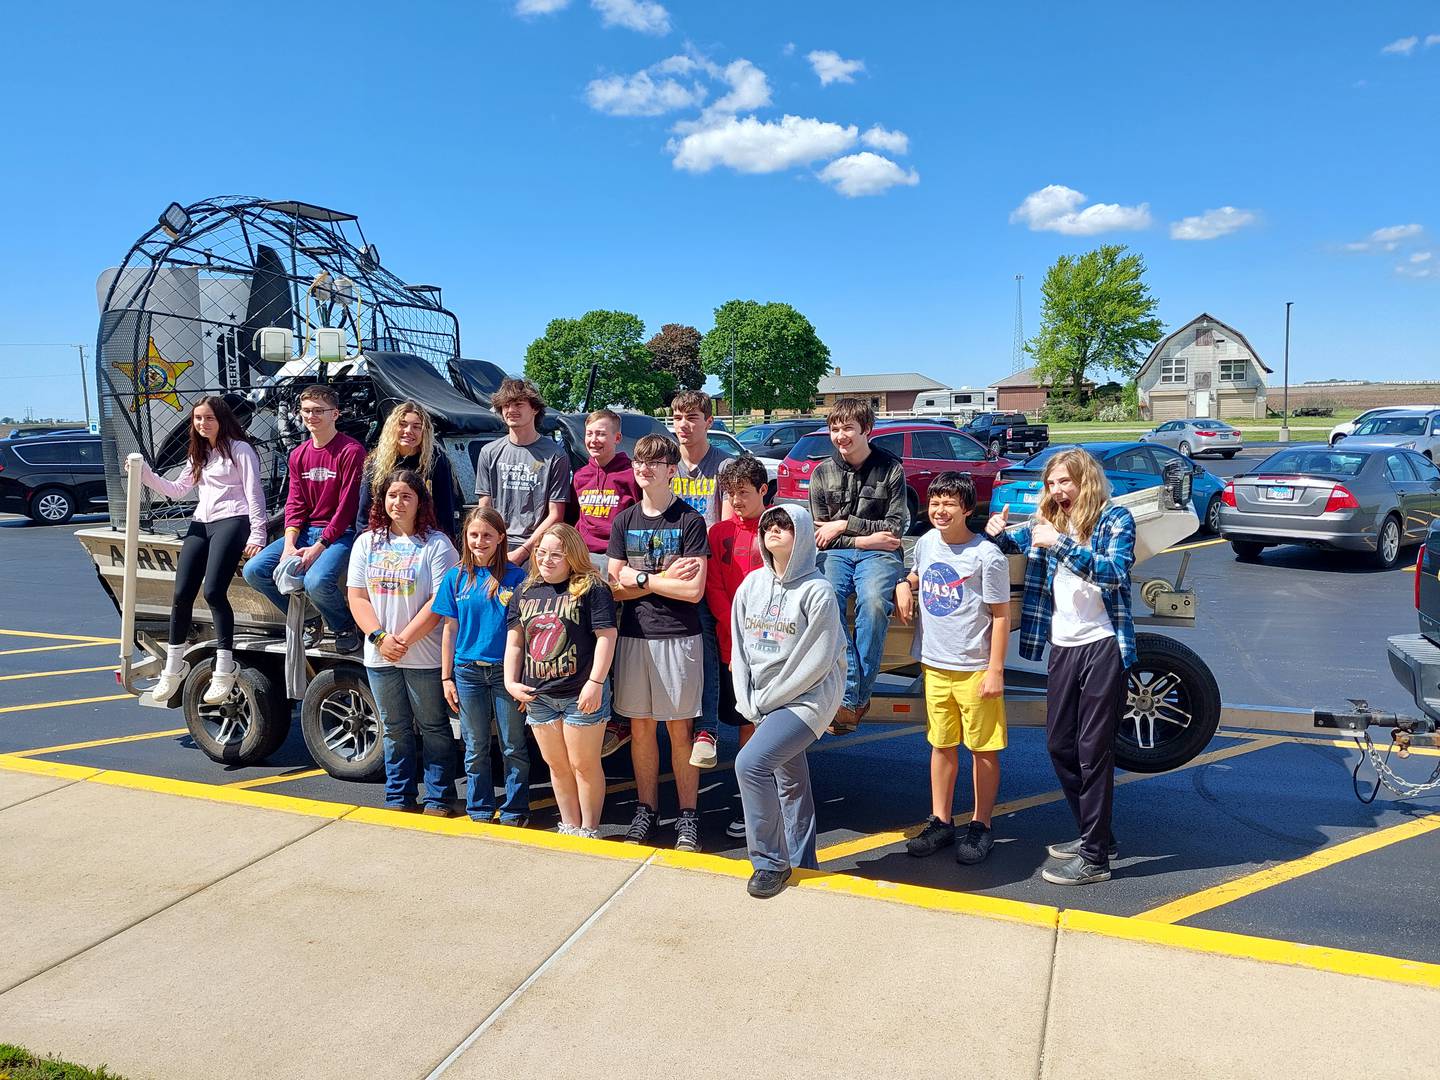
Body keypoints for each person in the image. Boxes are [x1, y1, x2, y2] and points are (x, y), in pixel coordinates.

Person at [984, 447, 1136, 886]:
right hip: (1064, 646)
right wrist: (995, 531)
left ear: (1084, 480)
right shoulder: (1048, 524)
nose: (1056, 490)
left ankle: (1094, 859)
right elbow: (1008, 541)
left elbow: (1113, 574)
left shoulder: (1114, 520)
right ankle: (1098, 836)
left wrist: (1062, 542)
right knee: (1060, 745)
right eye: (1051, 483)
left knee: (1093, 751)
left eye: (1064, 482)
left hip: (1103, 644)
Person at [731, 504, 846, 899]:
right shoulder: (751, 586)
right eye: (769, 525)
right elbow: (740, 648)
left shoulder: (818, 591)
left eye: (784, 525)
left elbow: (815, 661)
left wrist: (767, 700)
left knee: (750, 764)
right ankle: (802, 861)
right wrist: (746, 698)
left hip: (806, 698)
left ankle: (769, 862)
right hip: (764, 698)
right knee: (789, 778)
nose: (774, 531)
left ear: (800, 535)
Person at [896, 472, 1011, 864]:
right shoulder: (927, 543)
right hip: (935, 663)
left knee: (982, 749)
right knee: (941, 745)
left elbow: (999, 615)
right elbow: (915, 575)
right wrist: (903, 584)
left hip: (975, 667)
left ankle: (981, 825)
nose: (940, 511)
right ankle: (941, 821)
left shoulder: (986, 556)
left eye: (949, 504)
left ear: (966, 509)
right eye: (935, 503)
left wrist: (995, 669)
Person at [126, 395, 267, 702]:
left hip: (232, 519)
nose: (203, 424)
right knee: (181, 595)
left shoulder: (240, 450)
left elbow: (254, 494)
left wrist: (257, 534)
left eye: (209, 418)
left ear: (222, 419)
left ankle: (224, 667)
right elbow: (178, 491)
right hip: (201, 522)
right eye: (198, 419)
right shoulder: (199, 452)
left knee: (214, 591)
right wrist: (145, 474)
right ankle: (173, 668)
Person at [606, 433, 709, 852]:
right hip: (634, 637)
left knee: (679, 730)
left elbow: (694, 592)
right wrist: (662, 579)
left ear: (672, 470)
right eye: (639, 462)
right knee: (641, 729)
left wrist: (641, 578)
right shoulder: (624, 521)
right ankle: (646, 809)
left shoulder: (689, 521)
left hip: (679, 638)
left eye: (655, 462)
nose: (644, 468)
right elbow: (613, 587)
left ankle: (687, 817)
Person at [346, 468, 460, 815]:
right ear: (383, 500)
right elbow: (357, 596)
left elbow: (440, 602)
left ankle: (440, 796)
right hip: (381, 656)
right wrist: (380, 638)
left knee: (434, 727)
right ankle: (399, 795)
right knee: (394, 729)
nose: (398, 502)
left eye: (406, 496)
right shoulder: (368, 542)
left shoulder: (437, 544)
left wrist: (405, 640)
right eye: (392, 495)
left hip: (423, 655)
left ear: (420, 502)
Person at [505, 523, 618, 839]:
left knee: (584, 765)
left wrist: (595, 683)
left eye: (557, 554)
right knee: (557, 766)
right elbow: (515, 642)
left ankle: (589, 828)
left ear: (572, 556)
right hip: (539, 695)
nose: (547, 560)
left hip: (580, 693)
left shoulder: (591, 588)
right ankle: (569, 825)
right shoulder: (524, 592)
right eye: (541, 553)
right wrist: (511, 683)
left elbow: (607, 636)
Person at [808, 397, 907, 735]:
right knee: (826, 602)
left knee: (875, 604)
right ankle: (854, 696)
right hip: (839, 553)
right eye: (835, 429)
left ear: (867, 430)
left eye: (848, 428)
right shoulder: (822, 472)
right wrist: (863, 538)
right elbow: (822, 535)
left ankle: (851, 700)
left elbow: (895, 529)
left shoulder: (891, 468)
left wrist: (843, 524)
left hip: (881, 556)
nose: (840, 436)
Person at [243, 384, 365, 652]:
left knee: (316, 581)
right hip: (307, 531)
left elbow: (348, 507)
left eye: (319, 411)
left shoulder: (351, 451)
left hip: (340, 534)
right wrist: (290, 545)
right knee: (254, 571)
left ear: (335, 414)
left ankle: (343, 625)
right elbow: (295, 503)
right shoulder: (298, 455)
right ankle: (310, 619)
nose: (312, 417)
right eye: (307, 411)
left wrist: (318, 547)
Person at [433, 507, 528, 825]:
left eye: (487, 535)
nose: (480, 541)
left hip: (505, 673)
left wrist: (521, 676)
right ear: (466, 537)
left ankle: (515, 808)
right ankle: (480, 808)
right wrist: (446, 676)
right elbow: (449, 629)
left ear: (501, 537)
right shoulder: (455, 576)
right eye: (474, 535)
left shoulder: (516, 578)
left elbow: (525, 632)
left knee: (512, 744)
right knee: (474, 745)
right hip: (467, 673)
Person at [705, 454, 770, 839]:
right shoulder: (718, 534)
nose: (736, 501)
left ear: (764, 490)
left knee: (771, 725)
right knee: (746, 723)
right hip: (732, 645)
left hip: (772, 644)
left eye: (744, 493)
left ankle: (769, 805)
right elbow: (713, 585)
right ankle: (750, 805)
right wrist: (733, 626)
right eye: (730, 494)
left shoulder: (777, 529)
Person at [571, 407, 640, 760]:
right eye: (590, 434)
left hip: (615, 562)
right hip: (584, 564)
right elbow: (576, 520)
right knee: (585, 637)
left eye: (602, 434)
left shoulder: (630, 475)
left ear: (616, 437)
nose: (595, 440)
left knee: (615, 640)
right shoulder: (580, 476)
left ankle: (620, 719)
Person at [670, 391, 732, 770]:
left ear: (708, 421)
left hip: (705, 570)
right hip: (666, 567)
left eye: (692, 417)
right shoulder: (667, 465)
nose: (684, 424)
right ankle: (624, 718)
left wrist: (694, 563)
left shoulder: (722, 467)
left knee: (707, 647)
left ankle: (706, 729)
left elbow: (722, 526)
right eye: (677, 417)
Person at [475, 378, 570, 566]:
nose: (511, 410)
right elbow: (484, 508)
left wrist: (523, 551)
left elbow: (556, 515)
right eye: (506, 405)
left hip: (538, 547)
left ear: (534, 409)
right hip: (495, 544)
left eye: (518, 404)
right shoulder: (488, 452)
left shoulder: (555, 455)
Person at [356, 400, 457, 543]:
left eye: (416, 427)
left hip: (425, 536)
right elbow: (365, 509)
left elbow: (445, 509)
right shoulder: (376, 461)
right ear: (392, 428)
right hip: (384, 536)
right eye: (402, 425)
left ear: (425, 432)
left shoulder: (436, 460)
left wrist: (448, 542)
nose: (408, 431)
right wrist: (363, 541)